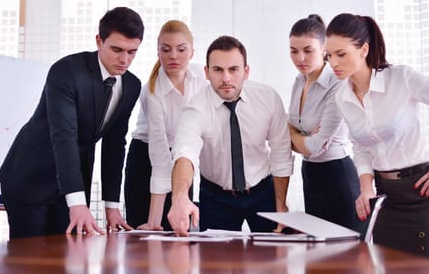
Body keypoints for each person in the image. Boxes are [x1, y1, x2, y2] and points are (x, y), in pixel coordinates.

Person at [325, 12, 429, 255]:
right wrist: (366, 187)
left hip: (425, 193)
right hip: (387, 200)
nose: (333, 63)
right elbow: (360, 146)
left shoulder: (401, 79)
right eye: (329, 55)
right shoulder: (342, 97)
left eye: (341, 54)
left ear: (363, 50)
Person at [0, 7, 145, 238]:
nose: (124, 60)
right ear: (99, 41)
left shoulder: (131, 86)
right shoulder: (66, 71)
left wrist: (112, 206)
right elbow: (64, 135)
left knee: (68, 261)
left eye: (132, 52)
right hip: (30, 177)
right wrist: (77, 202)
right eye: (117, 49)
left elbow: (115, 145)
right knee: (29, 263)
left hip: (72, 180)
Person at [167, 35, 294, 236]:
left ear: (246, 71)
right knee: (215, 264)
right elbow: (185, 154)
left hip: (262, 191)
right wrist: (180, 198)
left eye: (233, 69)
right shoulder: (196, 108)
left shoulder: (268, 98)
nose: (226, 78)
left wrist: (280, 206)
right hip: (215, 196)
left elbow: (280, 153)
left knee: (272, 261)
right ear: (207, 73)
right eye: (218, 70)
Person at [123, 20, 206, 230]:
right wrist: (153, 222)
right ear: (158, 52)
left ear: (192, 52)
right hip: (146, 159)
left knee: (179, 230)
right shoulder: (152, 92)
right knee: (147, 234)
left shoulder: (202, 78)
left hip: (181, 159)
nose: (173, 56)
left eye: (181, 49)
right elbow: (159, 158)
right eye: (166, 49)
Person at [287, 14, 362, 231]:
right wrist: (303, 138)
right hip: (310, 175)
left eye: (307, 50)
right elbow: (304, 143)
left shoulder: (338, 83)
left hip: (338, 176)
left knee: (345, 257)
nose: (300, 58)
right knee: (317, 257)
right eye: (293, 51)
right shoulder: (299, 81)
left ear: (324, 49)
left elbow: (315, 147)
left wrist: (292, 134)